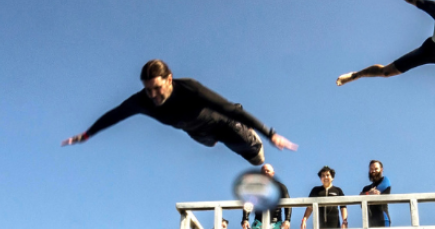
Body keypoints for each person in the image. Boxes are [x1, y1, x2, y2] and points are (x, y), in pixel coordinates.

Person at [62, 59, 296, 165]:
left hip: (223, 122)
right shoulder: (141, 101)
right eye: (148, 90)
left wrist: (270, 133)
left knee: (257, 159)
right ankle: (222, 139)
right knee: (210, 143)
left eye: (157, 88)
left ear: (169, 79)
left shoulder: (189, 88)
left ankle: (249, 134)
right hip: (196, 133)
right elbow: (114, 115)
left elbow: (227, 107)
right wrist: (87, 134)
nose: (153, 95)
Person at [241, 163, 292, 229]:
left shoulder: (280, 187)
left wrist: (287, 220)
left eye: (268, 171)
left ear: (273, 173)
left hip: (276, 224)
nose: (265, 172)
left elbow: (288, 204)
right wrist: (245, 219)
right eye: (263, 171)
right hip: (259, 224)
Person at [300, 165, 348, 229]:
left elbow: (343, 207)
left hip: (334, 226)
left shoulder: (337, 190)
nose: (325, 177)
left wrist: (344, 221)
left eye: (327, 175)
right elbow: (309, 207)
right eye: (323, 175)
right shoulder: (315, 190)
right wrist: (304, 220)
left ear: (332, 177)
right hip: (318, 227)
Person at [361, 160, 392, 228]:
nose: (373, 171)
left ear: (381, 169)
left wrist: (367, 194)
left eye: (376, 169)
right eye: (371, 169)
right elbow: (360, 199)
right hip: (369, 221)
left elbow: (377, 192)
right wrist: (369, 193)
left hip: (382, 219)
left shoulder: (385, 181)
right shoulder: (367, 188)